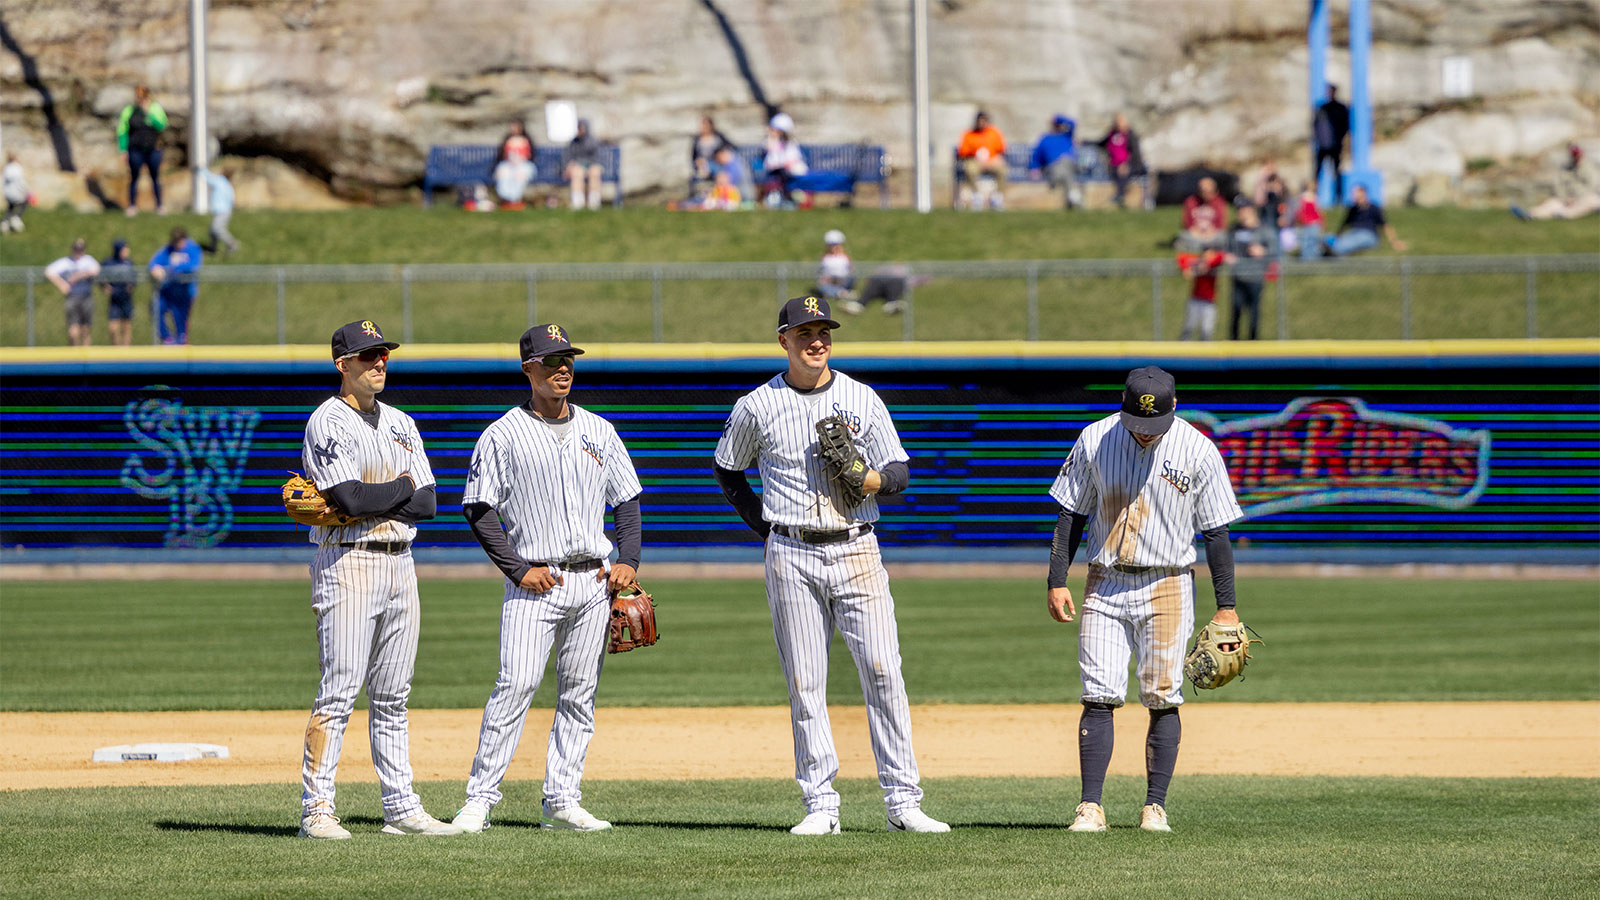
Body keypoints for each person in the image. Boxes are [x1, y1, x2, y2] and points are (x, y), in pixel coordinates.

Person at [713, 295, 949, 836]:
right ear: (783, 341)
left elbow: (900, 471)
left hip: (857, 545)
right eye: (804, 332)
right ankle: (821, 804)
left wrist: (872, 481)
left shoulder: (861, 397)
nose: (816, 340)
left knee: (885, 672)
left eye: (823, 331)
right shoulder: (757, 406)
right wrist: (765, 526)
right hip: (791, 551)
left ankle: (903, 802)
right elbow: (728, 468)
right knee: (806, 680)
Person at [452, 324, 643, 835]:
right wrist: (517, 569)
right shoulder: (502, 434)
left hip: (595, 582)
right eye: (551, 361)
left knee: (580, 694)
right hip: (537, 582)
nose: (563, 368)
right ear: (527, 369)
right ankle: (479, 801)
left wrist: (630, 559)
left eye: (568, 360)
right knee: (514, 685)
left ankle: (562, 800)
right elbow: (479, 508)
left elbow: (626, 499)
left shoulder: (600, 430)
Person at [1046, 365, 1245, 834]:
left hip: (1169, 583)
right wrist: (1057, 579)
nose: (1143, 435)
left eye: (1152, 427)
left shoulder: (1198, 449)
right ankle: (1090, 807)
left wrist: (1227, 604)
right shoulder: (1095, 439)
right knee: (1099, 693)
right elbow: (1070, 514)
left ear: (1174, 408)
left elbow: (1216, 533)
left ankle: (1154, 806)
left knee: (1162, 696)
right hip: (1105, 579)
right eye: (1135, 424)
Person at [297, 320, 459, 839]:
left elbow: (429, 503)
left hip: (400, 563)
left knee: (393, 695)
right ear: (342, 365)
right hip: (347, 564)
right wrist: (399, 488)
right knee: (339, 692)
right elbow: (349, 500)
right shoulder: (328, 421)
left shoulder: (401, 422)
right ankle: (316, 810)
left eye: (383, 354)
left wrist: (381, 495)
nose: (379, 363)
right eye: (367, 356)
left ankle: (401, 808)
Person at [1225, 205, 1276, 341]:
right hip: (1238, 276)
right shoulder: (1234, 229)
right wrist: (1228, 255)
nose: (1241, 216)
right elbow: (1226, 246)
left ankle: (1253, 342)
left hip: (1255, 277)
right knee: (1236, 311)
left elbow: (1275, 250)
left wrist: (1263, 251)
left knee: (1254, 313)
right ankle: (1233, 343)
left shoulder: (1264, 230)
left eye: (1244, 212)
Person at [1512, 142, 1600, 220]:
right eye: (1574, 156)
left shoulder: (1590, 168)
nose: (1576, 158)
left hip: (1584, 198)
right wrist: (1565, 198)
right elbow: (1559, 185)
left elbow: (1593, 187)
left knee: (1591, 200)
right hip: (1568, 199)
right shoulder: (1566, 169)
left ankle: (1564, 215)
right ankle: (1530, 214)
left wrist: (1576, 198)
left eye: (1578, 156)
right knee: (1553, 202)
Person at [118, 85, 168, 216]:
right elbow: (122, 131)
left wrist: (148, 113)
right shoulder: (129, 110)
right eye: (138, 97)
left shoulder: (155, 108)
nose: (140, 99)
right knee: (134, 177)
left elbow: (162, 125)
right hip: (135, 149)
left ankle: (159, 205)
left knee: (155, 177)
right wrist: (123, 150)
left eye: (143, 97)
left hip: (153, 149)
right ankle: (132, 206)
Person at [147, 226, 202, 345]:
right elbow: (154, 262)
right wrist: (155, 268)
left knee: (180, 318)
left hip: (185, 291)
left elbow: (193, 266)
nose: (178, 244)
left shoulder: (192, 248)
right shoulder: (168, 249)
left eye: (180, 241)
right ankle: (167, 338)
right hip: (168, 290)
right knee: (156, 308)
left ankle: (181, 342)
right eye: (176, 241)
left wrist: (172, 269)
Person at [45, 238, 101, 347]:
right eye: (76, 249)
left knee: (86, 329)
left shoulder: (88, 260)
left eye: (80, 249)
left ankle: (86, 358)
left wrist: (78, 275)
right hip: (73, 298)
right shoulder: (66, 262)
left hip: (86, 296)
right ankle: (74, 355)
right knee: (73, 331)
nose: (78, 252)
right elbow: (49, 271)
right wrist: (61, 284)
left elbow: (96, 270)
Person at [1327, 184, 1406, 256]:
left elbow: (1385, 225)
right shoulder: (1353, 210)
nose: (1353, 196)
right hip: (1354, 233)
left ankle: (1335, 251)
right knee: (1330, 238)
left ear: (1363, 193)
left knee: (1348, 242)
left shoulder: (1373, 208)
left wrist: (1394, 242)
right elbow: (1343, 225)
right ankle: (1327, 250)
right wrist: (1336, 237)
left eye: (1355, 193)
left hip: (1369, 235)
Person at [956, 110, 1008, 210]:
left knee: (1002, 169)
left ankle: (997, 197)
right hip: (974, 161)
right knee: (970, 169)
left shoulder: (994, 133)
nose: (982, 123)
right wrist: (974, 156)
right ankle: (976, 196)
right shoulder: (969, 134)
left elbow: (1001, 150)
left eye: (984, 121)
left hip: (991, 161)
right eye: (980, 121)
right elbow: (962, 151)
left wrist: (996, 159)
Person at [1029, 114, 1081, 209]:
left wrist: (1058, 118)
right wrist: (1034, 168)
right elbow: (1037, 156)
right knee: (1064, 170)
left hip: (1069, 165)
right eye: (1056, 124)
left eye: (1058, 124)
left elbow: (1073, 123)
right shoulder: (1045, 139)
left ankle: (1072, 198)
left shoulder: (1066, 136)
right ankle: (1073, 197)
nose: (1057, 126)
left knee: (1066, 164)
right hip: (1053, 167)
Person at [1096, 114, 1145, 209]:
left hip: (1130, 166)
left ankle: (1120, 195)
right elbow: (1101, 143)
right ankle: (1119, 196)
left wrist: (1126, 164)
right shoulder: (1112, 135)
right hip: (1114, 165)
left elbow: (1135, 154)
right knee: (1116, 170)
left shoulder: (1131, 136)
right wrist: (1085, 142)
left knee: (1122, 172)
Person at [1176, 246, 1225, 341]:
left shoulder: (1214, 263)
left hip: (1209, 300)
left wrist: (1207, 264)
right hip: (1196, 299)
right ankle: (1183, 349)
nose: (1208, 256)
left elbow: (1221, 257)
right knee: (1189, 326)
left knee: (1207, 329)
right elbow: (1181, 257)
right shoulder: (1197, 262)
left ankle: (1205, 352)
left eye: (1211, 254)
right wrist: (1186, 268)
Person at [1312, 84, 1350, 203]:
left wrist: (1338, 139)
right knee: (1318, 172)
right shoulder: (1322, 108)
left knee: (1336, 172)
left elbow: (1345, 126)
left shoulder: (1341, 108)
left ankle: (1338, 197)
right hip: (1323, 145)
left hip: (1335, 145)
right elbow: (1315, 126)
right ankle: (1314, 196)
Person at [762, 112, 808, 208]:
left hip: (790, 171)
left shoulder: (790, 144)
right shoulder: (770, 143)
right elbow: (769, 162)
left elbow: (793, 158)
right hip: (777, 172)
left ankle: (793, 198)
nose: (772, 132)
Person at [100, 238, 138, 346]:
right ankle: (115, 348)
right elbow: (101, 277)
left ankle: (126, 350)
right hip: (114, 298)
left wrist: (131, 286)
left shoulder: (128, 262)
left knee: (126, 326)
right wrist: (105, 287)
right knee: (113, 327)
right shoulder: (108, 262)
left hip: (126, 297)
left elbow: (134, 277)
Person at [197, 166, 240, 255]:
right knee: (212, 231)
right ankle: (213, 248)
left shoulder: (219, 181)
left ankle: (232, 243)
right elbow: (232, 199)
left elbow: (208, 178)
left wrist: (201, 170)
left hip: (222, 211)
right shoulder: (228, 185)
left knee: (216, 229)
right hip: (227, 211)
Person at [564, 118, 605, 210]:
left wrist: (591, 165)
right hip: (579, 166)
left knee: (594, 173)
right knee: (577, 173)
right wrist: (569, 165)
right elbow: (569, 156)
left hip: (592, 165)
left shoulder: (593, 141)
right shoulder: (574, 142)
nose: (579, 130)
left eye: (581, 128)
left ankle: (594, 202)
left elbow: (597, 158)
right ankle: (578, 202)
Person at [690, 114, 735, 199]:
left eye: (705, 125)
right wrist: (697, 162)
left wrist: (722, 155)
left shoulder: (718, 137)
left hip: (717, 164)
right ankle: (703, 196)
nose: (703, 127)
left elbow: (731, 147)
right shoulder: (697, 139)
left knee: (720, 172)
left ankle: (722, 196)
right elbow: (693, 157)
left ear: (710, 125)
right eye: (702, 125)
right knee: (703, 168)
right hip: (702, 166)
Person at [1178, 177, 1228, 252]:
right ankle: (1205, 247)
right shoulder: (1190, 201)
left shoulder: (1220, 202)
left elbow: (1221, 224)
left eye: (1209, 192)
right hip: (1195, 235)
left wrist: (1211, 232)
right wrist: (1197, 232)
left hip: (1212, 235)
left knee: (1224, 237)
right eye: (1203, 191)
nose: (1205, 194)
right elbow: (1187, 224)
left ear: (1215, 191)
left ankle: (1200, 247)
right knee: (1184, 235)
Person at [494, 120, 536, 208]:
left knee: (519, 175)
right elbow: (501, 155)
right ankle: (506, 198)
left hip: (523, 164)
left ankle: (515, 199)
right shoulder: (507, 140)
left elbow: (531, 155)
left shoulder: (526, 140)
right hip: (508, 164)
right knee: (503, 174)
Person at [815, 229, 857, 306]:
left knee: (852, 277)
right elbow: (821, 274)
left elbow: (851, 271)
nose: (834, 247)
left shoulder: (845, 257)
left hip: (843, 281)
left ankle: (839, 293)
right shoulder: (825, 258)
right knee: (822, 286)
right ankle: (842, 294)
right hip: (830, 282)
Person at [1293, 181, 1324, 260]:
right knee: (1306, 240)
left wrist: (1321, 222)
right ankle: (1306, 257)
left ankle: (1314, 257)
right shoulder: (1303, 197)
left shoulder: (1315, 197)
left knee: (1314, 240)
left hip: (1314, 223)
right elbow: (1300, 211)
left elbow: (1318, 211)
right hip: (1306, 223)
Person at [1, 152, 27, 233]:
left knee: (10, 207)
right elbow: (20, 182)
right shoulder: (17, 168)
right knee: (23, 204)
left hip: (8, 193)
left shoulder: (6, 168)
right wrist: (26, 190)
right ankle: (16, 218)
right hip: (17, 192)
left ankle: (4, 223)